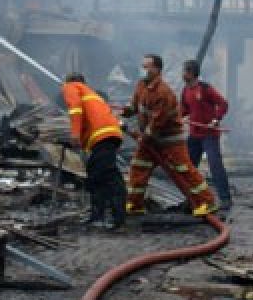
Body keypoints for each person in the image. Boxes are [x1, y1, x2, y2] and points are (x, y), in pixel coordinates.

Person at [121, 54, 217, 217]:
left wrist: (139, 136)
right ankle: (135, 204)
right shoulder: (141, 85)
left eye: (147, 66)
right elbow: (135, 105)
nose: (143, 69)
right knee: (138, 167)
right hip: (150, 139)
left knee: (184, 170)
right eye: (142, 66)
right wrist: (126, 111)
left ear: (157, 69)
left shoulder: (162, 92)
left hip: (169, 140)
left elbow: (157, 123)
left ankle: (207, 202)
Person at [61, 73, 127, 227]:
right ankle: (100, 215)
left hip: (102, 136)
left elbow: (75, 110)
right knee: (98, 173)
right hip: (108, 136)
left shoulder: (71, 87)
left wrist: (75, 135)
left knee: (106, 176)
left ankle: (114, 218)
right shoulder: (91, 95)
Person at [181, 59, 232, 210]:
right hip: (194, 135)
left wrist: (216, 119)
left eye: (184, 71)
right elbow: (184, 110)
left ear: (191, 73)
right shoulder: (185, 91)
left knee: (215, 165)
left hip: (209, 134)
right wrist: (177, 117)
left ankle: (225, 199)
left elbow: (223, 104)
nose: (182, 74)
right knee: (190, 167)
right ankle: (190, 199)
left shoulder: (205, 89)